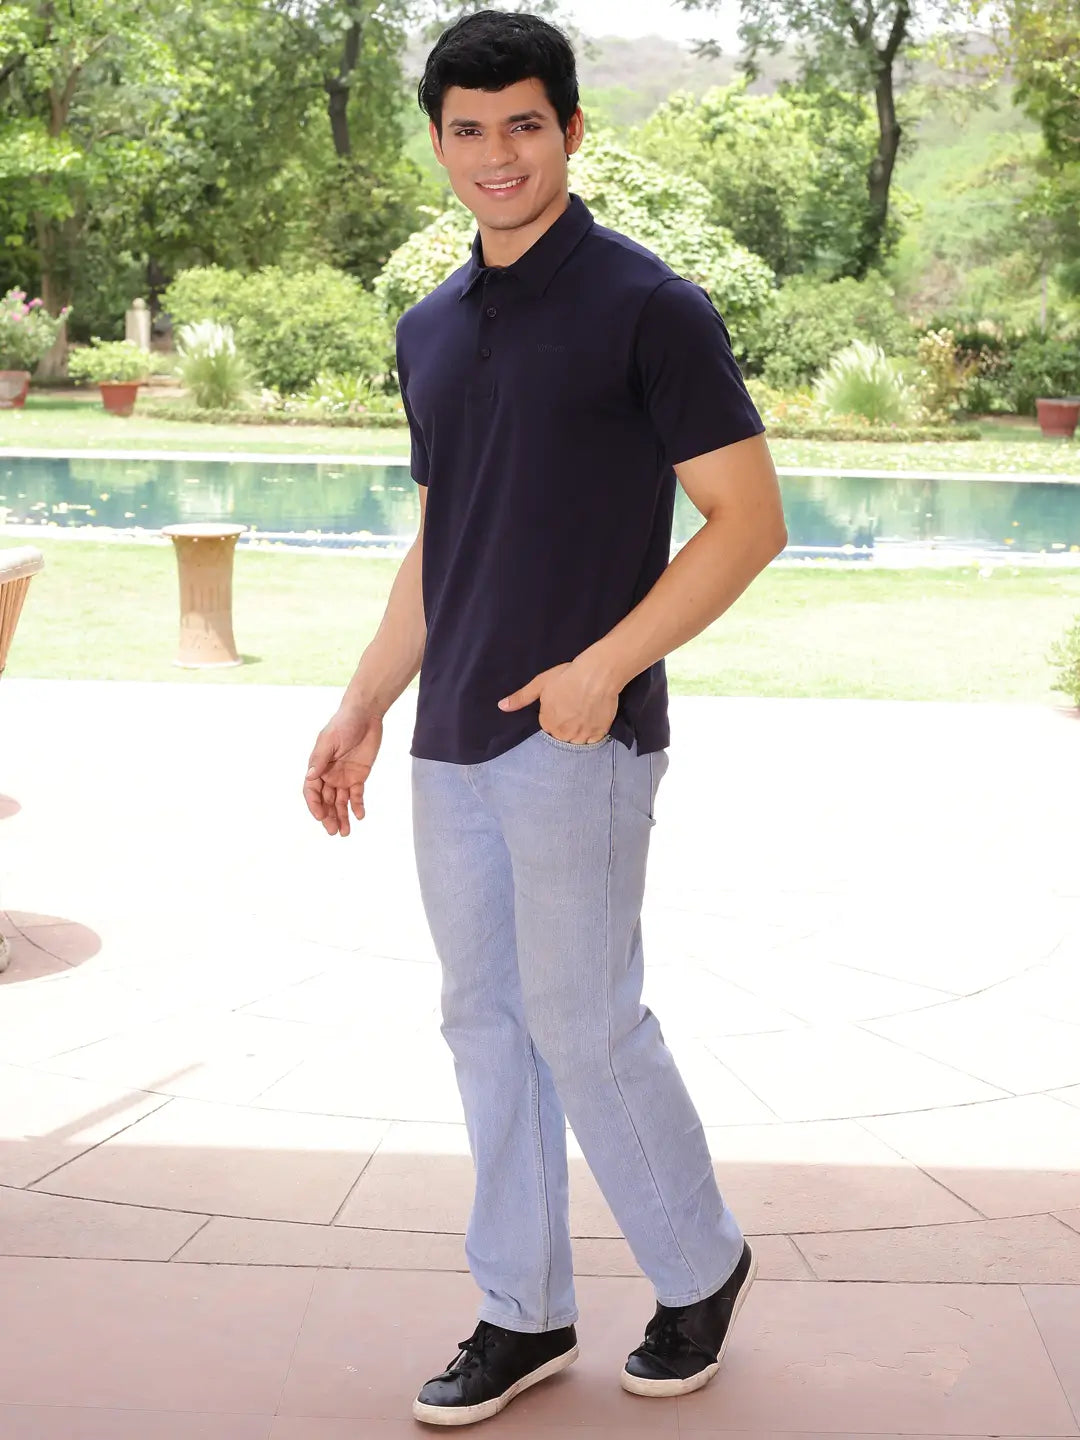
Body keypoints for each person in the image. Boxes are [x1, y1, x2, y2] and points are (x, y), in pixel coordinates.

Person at [304, 9, 787, 1427]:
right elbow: (442, 543)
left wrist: (601, 669)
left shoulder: (651, 305)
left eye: (525, 124)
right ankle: (522, 1313)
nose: (496, 154)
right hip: (454, 737)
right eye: (468, 129)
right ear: (439, 142)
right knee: (484, 1022)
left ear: (572, 130)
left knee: (583, 1020)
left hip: (582, 736)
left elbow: (747, 522)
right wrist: (359, 704)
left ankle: (700, 1267)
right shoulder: (431, 326)